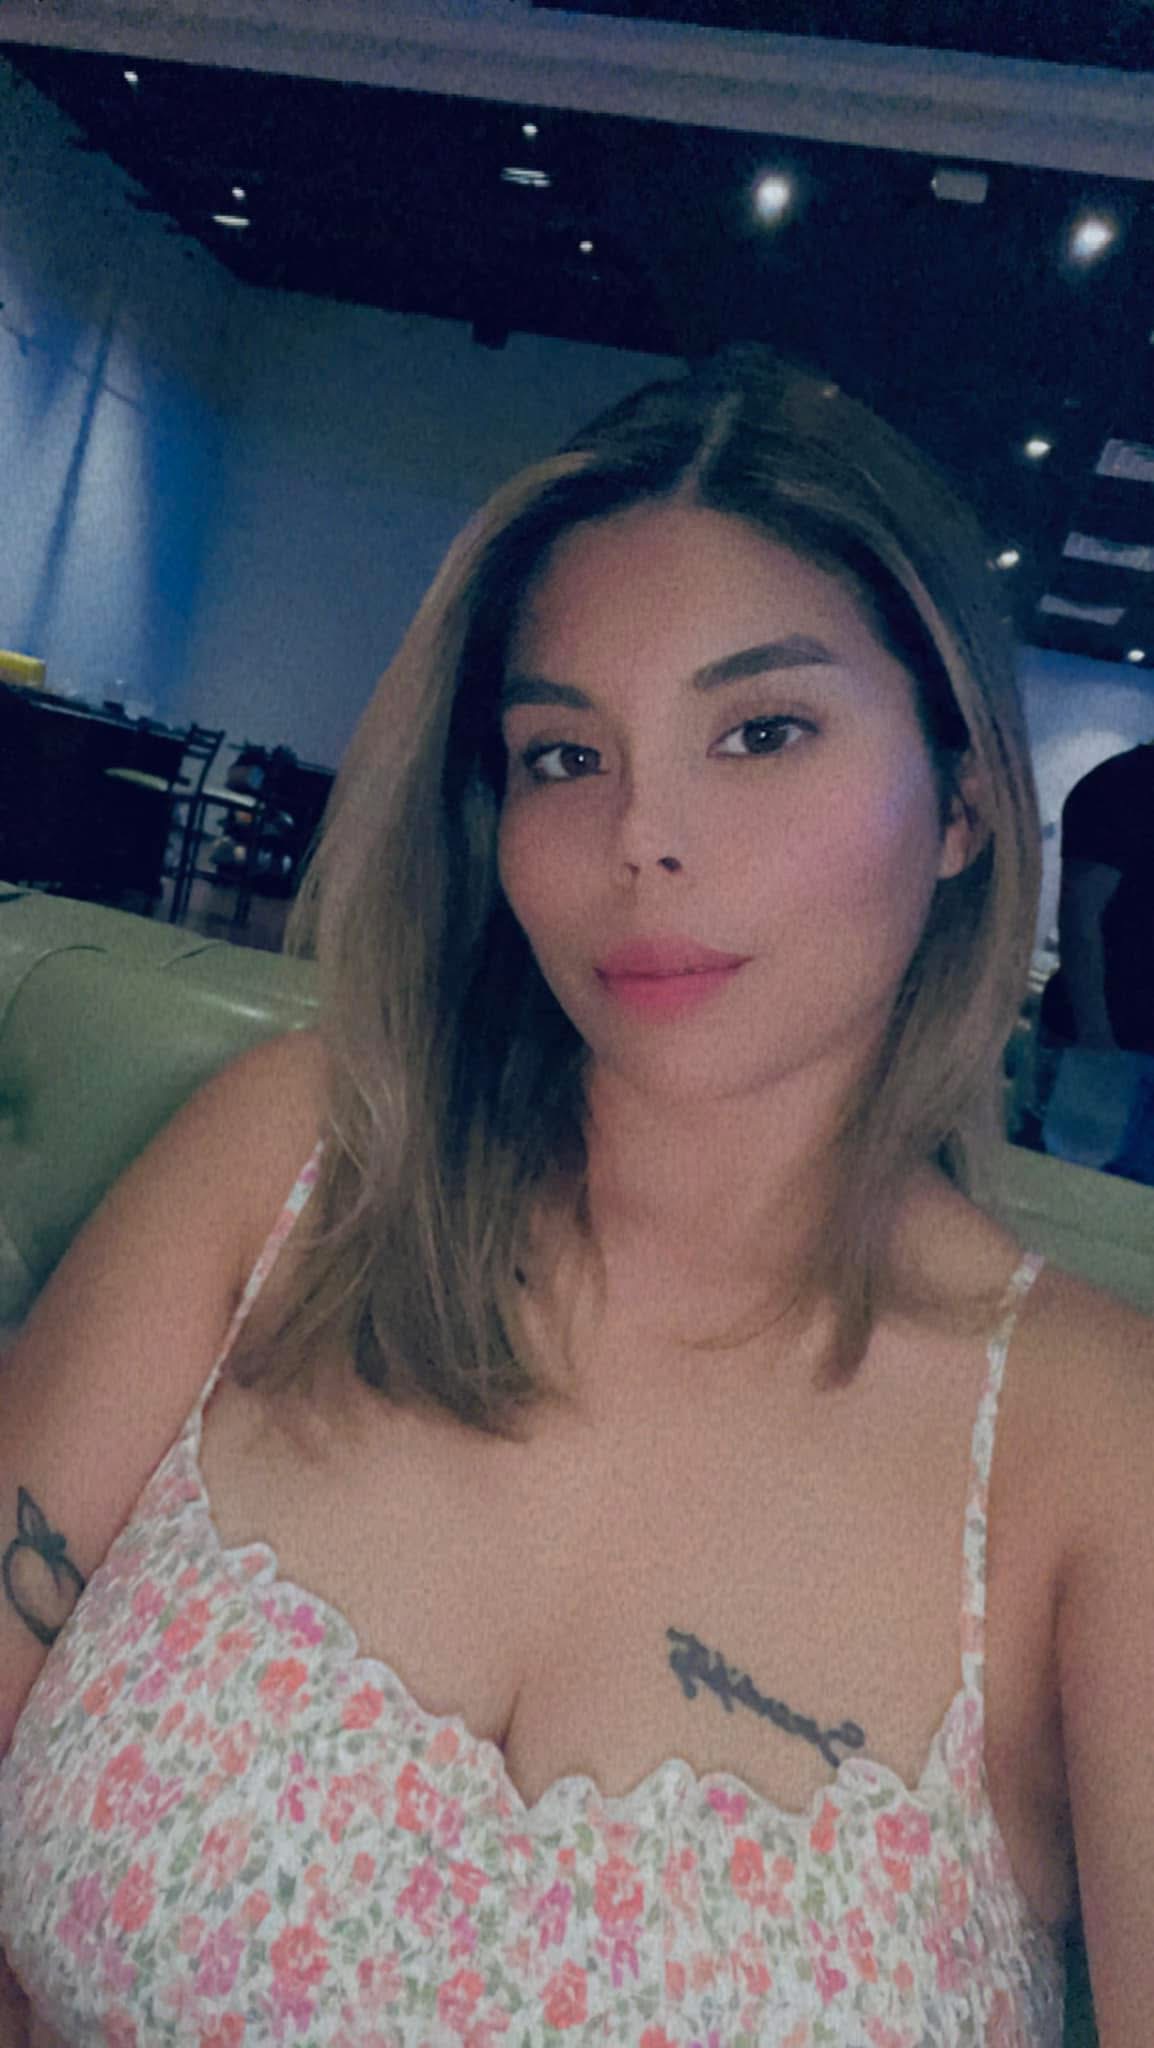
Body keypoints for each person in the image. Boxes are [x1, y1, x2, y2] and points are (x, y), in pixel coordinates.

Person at [2, 344, 1152, 2045]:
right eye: (560, 754)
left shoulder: (1097, 1447)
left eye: (759, 730)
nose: (640, 837)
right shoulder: (294, 1162)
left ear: (963, 804)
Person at [1041, 740, 1154, 1183]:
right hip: (1106, 1046)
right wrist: (1095, 1042)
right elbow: (1079, 919)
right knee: (1067, 1191)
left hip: (1113, 1046)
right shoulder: (1123, 785)